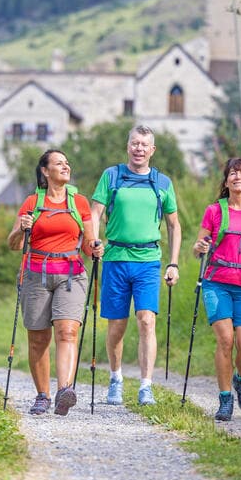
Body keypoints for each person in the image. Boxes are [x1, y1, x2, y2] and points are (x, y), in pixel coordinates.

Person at [89, 125, 181, 406]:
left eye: (144, 145)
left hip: (148, 262)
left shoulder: (162, 183)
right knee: (116, 326)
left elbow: (174, 226)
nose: (139, 148)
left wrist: (173, 263)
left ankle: (145, 385)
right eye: (134, 143)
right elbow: (95, 213)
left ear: (152, 150)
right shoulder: (112, 176)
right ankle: (115, 378)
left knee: (146, 320)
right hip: (116, 259)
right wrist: (93, 241)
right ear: (127, 146)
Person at [8, 149, 103, 416]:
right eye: (58, 163)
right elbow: (13, 244)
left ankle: (64, 391)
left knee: (68, 331)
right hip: (35, 272)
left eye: (67, 163)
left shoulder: (79, 202)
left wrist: (95, 247)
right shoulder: (31, 203)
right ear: (45, 171)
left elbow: (88, 243)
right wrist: (20, 229)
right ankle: (42, 395)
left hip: (71, 273)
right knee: (38, 338)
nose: (65, 166)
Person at [192, 157, 241, 421]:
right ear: (226, 181)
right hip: (217, 283)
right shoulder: (214, 211)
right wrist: (200, 248)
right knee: (225, 340)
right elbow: (197, 246)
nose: (238, 177)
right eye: (233, 173)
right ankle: (225, 399)